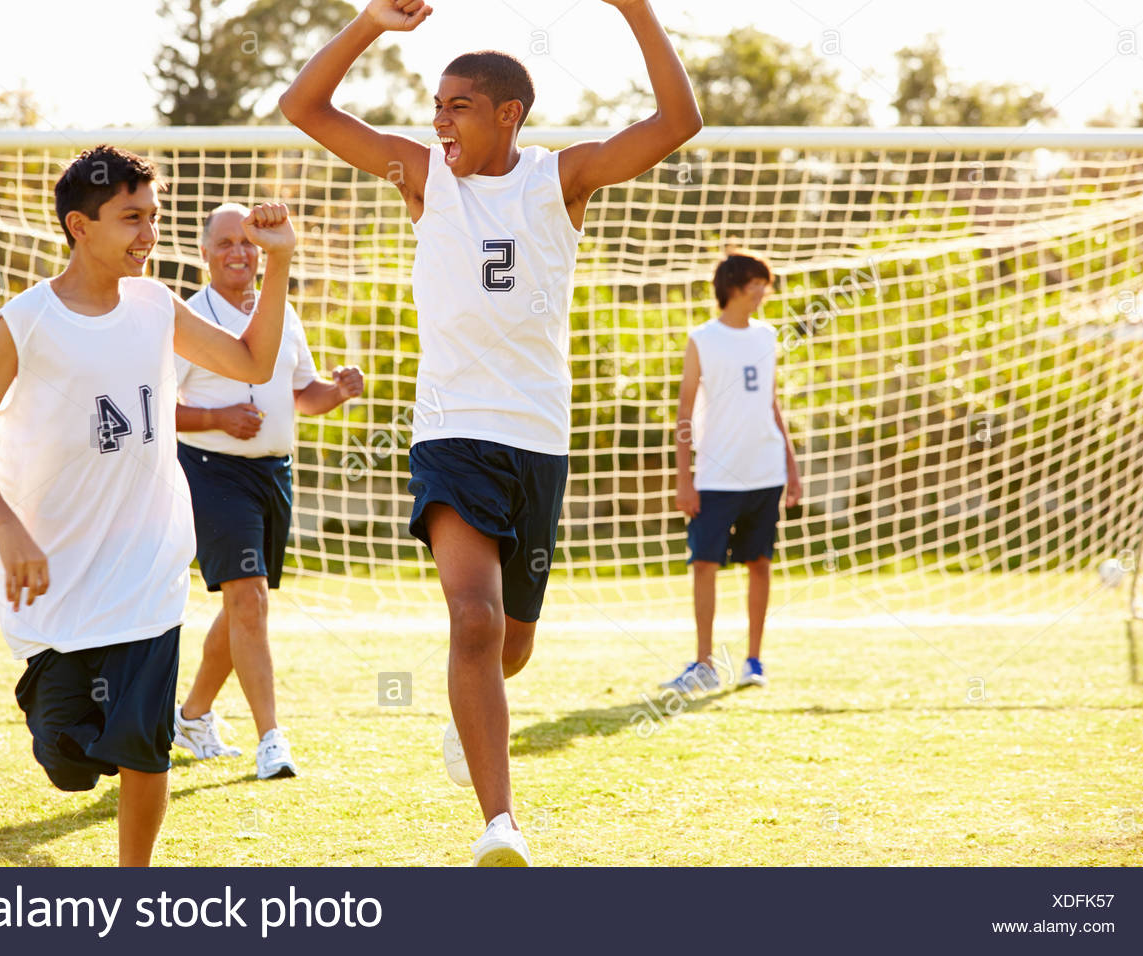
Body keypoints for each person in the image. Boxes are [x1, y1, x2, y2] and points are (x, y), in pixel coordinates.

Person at [279, 0, 702, 865]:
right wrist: (369, 25)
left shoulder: (560, 179)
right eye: (435, 106)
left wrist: (636, 11)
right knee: (472, 622)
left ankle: (469, 720)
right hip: (451, 433)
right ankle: (500, 825)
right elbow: (304, 109)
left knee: (511, 644)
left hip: (539, 439)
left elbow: (679, 121)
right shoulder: (422, 177)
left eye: (458, 106)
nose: (438, 122)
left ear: (509, 114)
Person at [0, 145, 295, 866]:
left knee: (143, 742)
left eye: (154, 218)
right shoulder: (27, 321)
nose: (149, 235)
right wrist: (8, 527)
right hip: (60, 574)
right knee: (68, 759)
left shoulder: (155, 305)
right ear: (80, 225)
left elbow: (254, 364)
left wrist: (280, 261)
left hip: (150, 566)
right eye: (132, 219)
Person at [171, 202, 364, 779]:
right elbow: (155, 407)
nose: (238, 251)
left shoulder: (284, 313)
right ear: (204, 252)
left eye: (249, 242)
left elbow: (303, 394)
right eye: (225, 242)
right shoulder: (189, 318)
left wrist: (338, 391)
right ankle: (271, 741)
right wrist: (219, 417)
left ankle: (191, 715)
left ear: (263, 252)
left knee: (244, 606)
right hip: (211, 469)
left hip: (274, 473)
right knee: (249, 597)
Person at [666, 252, 802, 696]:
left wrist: (792, 464)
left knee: (759, 563)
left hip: (764, 471)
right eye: (759, 283)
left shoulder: (767, 336)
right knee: (705, 564)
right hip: (715, 475)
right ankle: (704, 663)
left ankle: (753, 660)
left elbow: (772, 402)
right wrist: (684, 478)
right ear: (738, 287)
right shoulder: (702, 339)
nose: (765, 291)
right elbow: (685, 411)